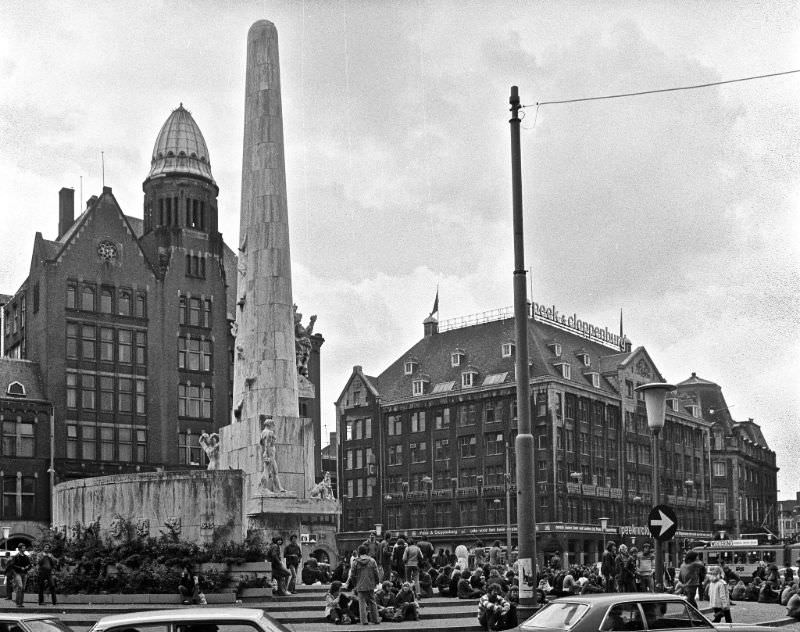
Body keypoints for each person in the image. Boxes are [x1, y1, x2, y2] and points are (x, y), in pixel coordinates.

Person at [350, 544, 380, 624]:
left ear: (359, 552)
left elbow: (352, 575)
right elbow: (376, 573)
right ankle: (375, 619)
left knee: (362, 603)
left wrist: (355, 584)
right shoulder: (372, 560)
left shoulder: (355, 562)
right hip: (370, 584)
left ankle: (364, 621)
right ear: (366, 551)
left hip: (360, 585)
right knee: (372, 602)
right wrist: (377, 582)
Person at [8, 543, 32, 607]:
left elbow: (30, 565)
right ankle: (17, 603)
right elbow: (12, 565)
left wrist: (27, 567)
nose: (24, 549)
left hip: (25, 574)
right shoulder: (16, 556)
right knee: (20, 587)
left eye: (24, 548)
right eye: (23, 548)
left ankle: (21, 603)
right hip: (18, 573)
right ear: (19, 549)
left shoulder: (26, 557)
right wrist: (20, 568)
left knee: (23, 588)